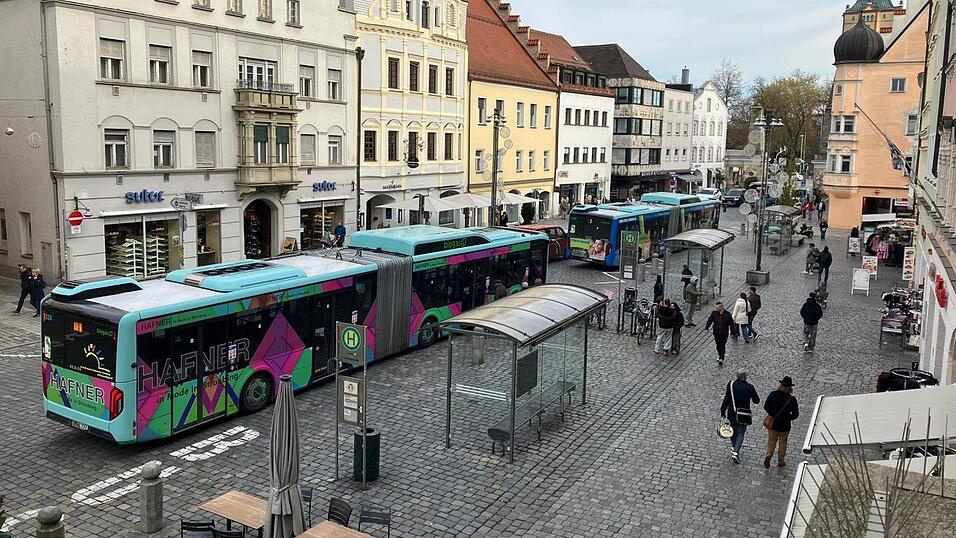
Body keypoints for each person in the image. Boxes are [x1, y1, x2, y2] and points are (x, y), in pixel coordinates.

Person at [721, 369, 760, 464]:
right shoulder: (750, 387)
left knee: (733, 431)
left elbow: (726, 398)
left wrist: (722, 411)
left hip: (732, 413)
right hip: (744, 414)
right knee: (741, 432)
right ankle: (736, 451)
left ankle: (734, 447)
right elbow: (756, 401)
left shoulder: (731, 385)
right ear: (745, 377)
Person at [763, 376, 800, 468]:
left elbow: (766, 406)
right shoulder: (792, 399)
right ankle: (781, 461)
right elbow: (796, 414)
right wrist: (788, 418)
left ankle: (769, 455)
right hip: (785, 425)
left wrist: (771, 414)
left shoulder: (773, 394)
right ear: (790, 387)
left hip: (773, 424)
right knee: (783, 442)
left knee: (772, 440)